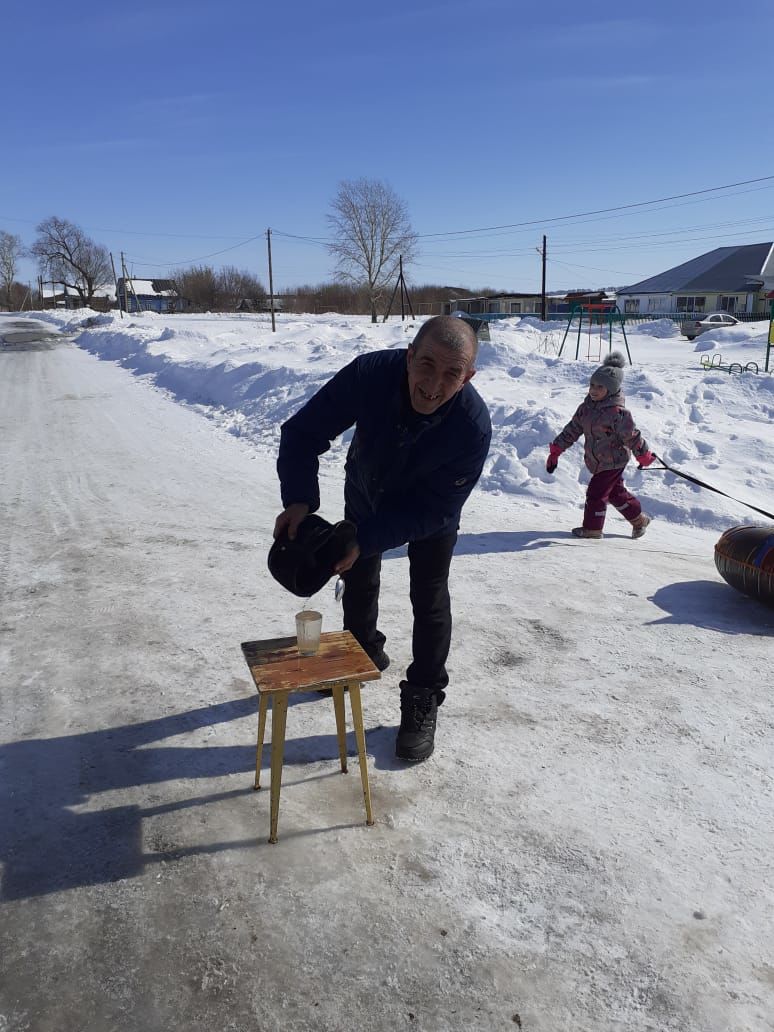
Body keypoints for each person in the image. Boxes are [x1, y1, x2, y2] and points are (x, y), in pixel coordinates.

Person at [274, 315, 492, 762]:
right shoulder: (370, 375)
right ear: (409, 356)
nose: (434, 384)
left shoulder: (472, 426)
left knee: (429, 596)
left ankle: (424, 694)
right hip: (368, 487)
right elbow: (303, 431)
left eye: (452, 373)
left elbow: (437, 509)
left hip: (429, 511)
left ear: (468, 377)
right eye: (426, 364)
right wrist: (299, 499)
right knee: (356, 574)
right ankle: (362, 651)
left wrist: (368, 537)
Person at [545, 351, 654, 539]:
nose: (593, 390)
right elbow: (572, 429)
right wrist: (556, 450)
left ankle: (593, 529)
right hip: (597, 460)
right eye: (592, 385)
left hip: (614, 461)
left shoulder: (618, 413)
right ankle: (639, 520)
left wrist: (642, 454)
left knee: (596, 493)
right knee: (615, 493)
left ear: (611, 390)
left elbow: (632, 436)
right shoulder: (586, 408)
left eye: (600, 387)